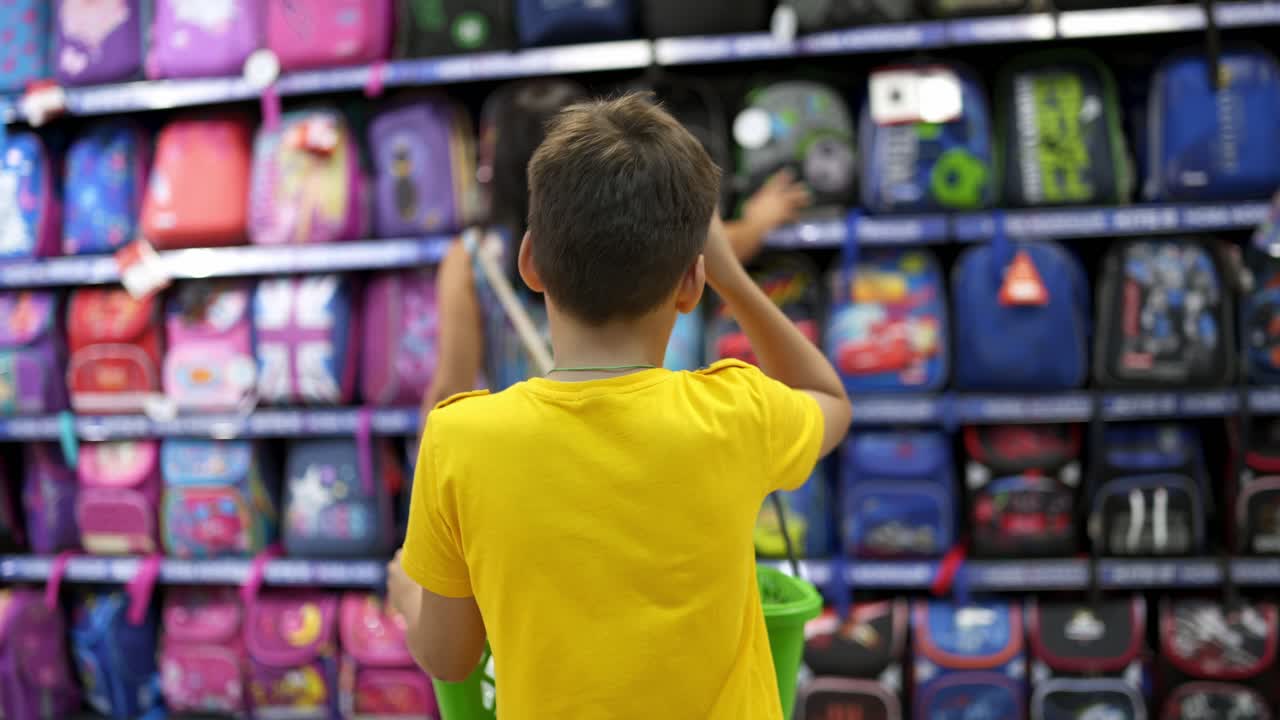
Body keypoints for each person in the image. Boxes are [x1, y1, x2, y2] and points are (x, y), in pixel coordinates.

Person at [387, 93, 852, 719]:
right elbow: (829, 399)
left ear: (531, 262)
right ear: (691, 284)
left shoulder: (460, 439)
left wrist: (407, 595)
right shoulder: (736, 414)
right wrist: (733, 277)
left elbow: (450, 658)